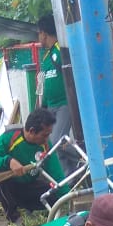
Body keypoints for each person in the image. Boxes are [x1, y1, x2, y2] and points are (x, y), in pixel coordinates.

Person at [0, 107, 67, 224]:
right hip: (7, 188)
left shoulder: (46, 145)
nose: (46, 139)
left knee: (53, 193)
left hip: (27, 186)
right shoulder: (10, 137)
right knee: (0, 179)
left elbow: (56, 173)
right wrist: (9, 161)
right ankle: (13, 215)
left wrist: (66, 198)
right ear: (32, 131)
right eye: (44, 135)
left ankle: (28, 207)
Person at [37, 14, 77, 176]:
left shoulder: (61, 51)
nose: (38, 36)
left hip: (64, 104)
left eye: (38, 33)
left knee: (57, 141)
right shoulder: (46, 56)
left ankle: (89, 160)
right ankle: (69, 179)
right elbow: (44, 84)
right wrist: (42, 107)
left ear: (44, 33)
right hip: (50, 107)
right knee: (51, 145)